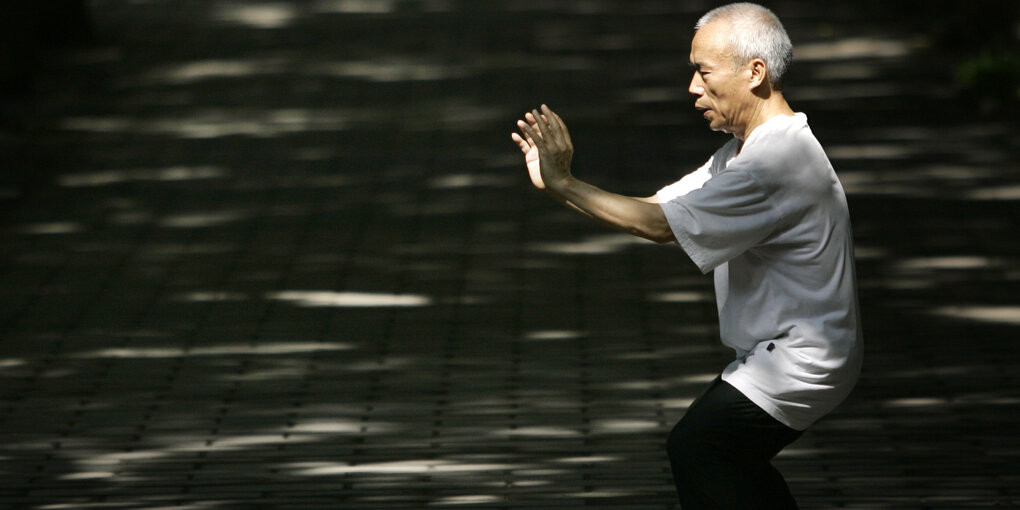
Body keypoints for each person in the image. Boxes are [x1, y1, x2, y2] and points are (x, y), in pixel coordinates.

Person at [511, 3, 862, 509]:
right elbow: (658, 208)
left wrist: (567, 183)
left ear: (755, 72)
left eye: (703, 71)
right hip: (784, 354)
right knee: (721, 456)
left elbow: (657, 228)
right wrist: (561, 188)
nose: (693, 88)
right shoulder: (746, 150)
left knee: (701, 448)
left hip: (803, 360)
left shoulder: (773, 163)